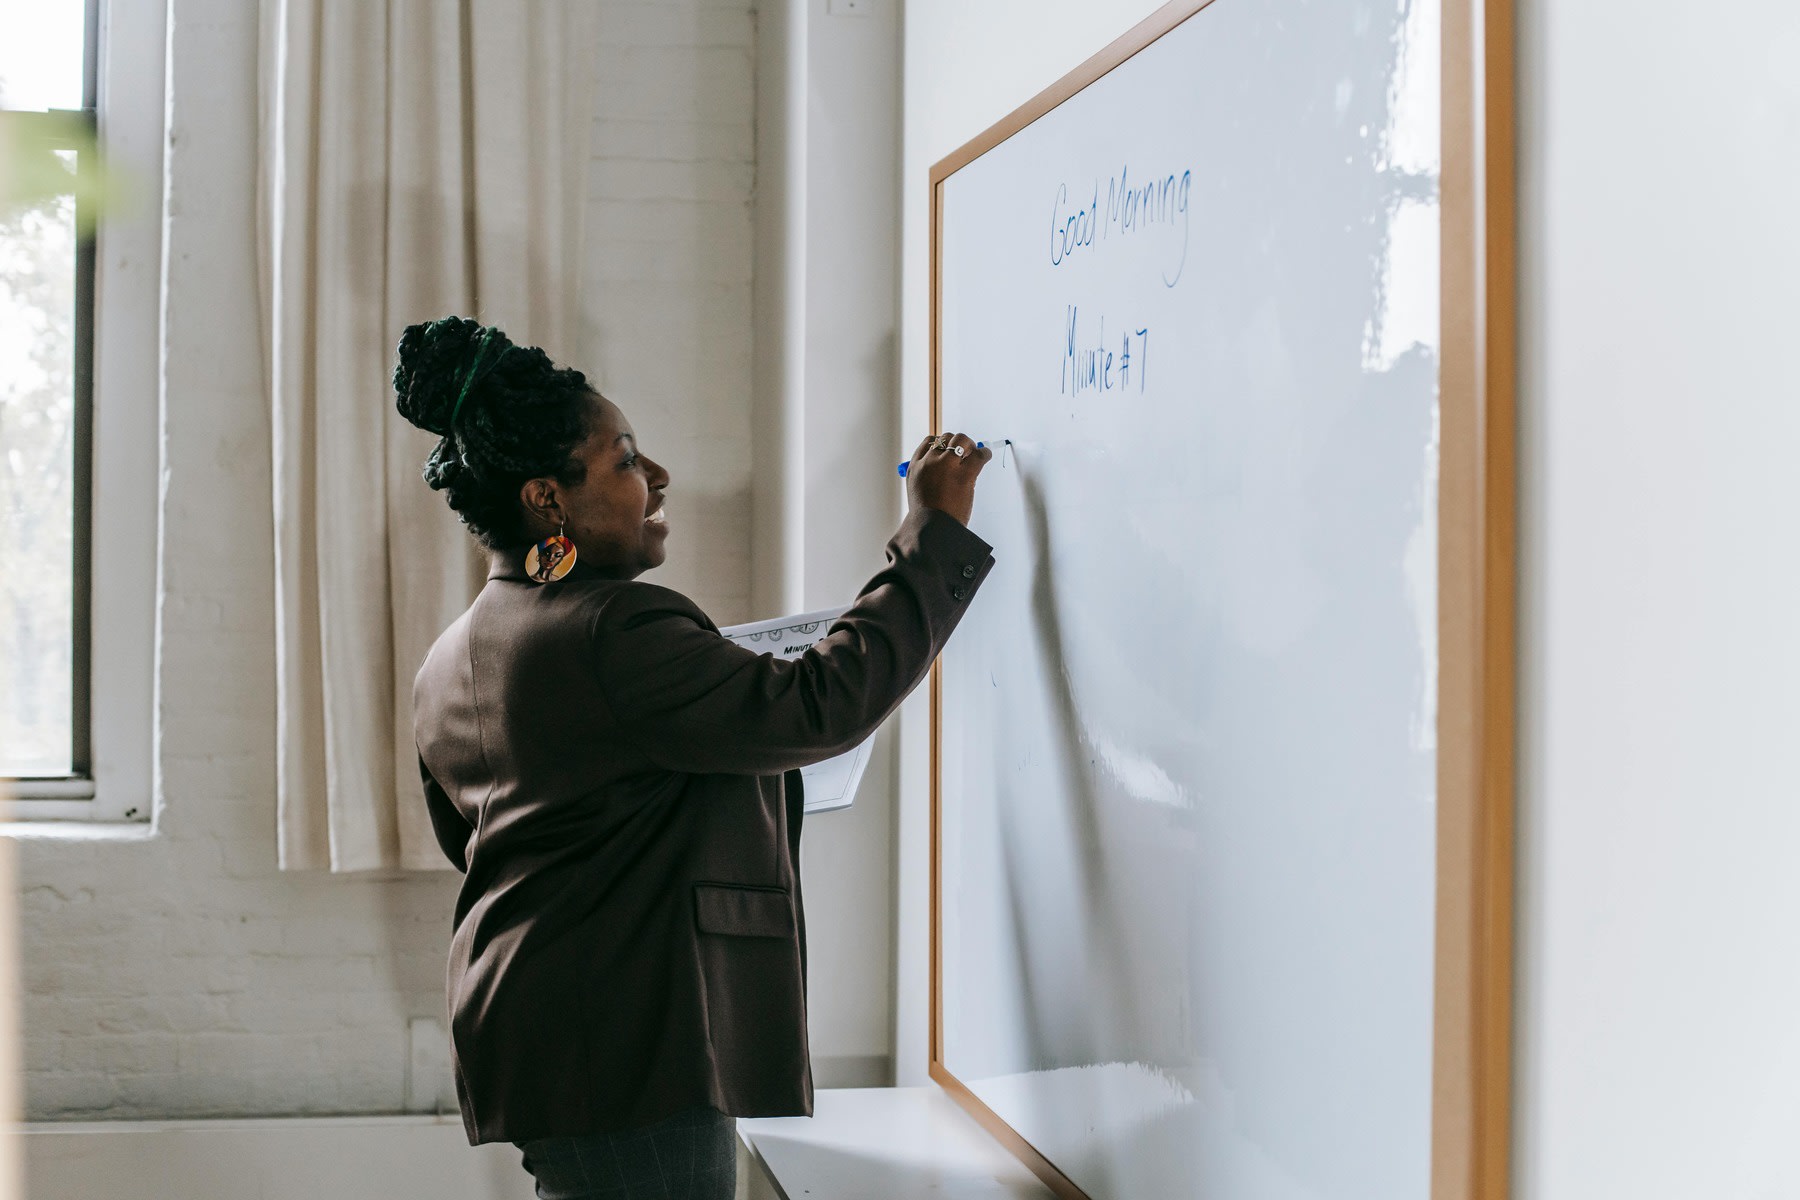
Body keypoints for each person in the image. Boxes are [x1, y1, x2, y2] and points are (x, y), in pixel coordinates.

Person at [396, 316, 994, 1200]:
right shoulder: (613, 627)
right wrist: (931, 531)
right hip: (630, 1042)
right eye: (626, 460)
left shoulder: (451, 655)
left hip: (537, 1032)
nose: (658, 477)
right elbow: (821, 704)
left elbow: (495, 839)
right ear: (547, 501)